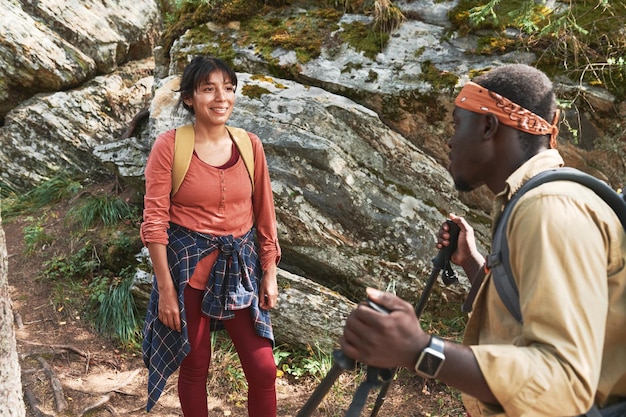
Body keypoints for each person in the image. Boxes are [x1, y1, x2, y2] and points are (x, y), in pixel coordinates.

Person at [340, 64, 626, 416]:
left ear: (488, 126)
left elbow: (563, 383)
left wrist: (419, 350)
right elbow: (525, 316)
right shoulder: (530, 201)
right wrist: (474, 264)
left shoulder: (549, 208)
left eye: (458, 123)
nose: (450, 139)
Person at [140, 56, 281, 417]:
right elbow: (155, 222)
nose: (221, 98)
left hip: (242, 270)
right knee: (195, 365)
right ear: (189, 98)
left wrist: (269, 271)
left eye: (229, 89)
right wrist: (166, 292)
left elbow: (265, 214)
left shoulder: (250, 145)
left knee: (263, 369)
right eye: (209, 89)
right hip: (189, 273)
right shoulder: (169, 147)